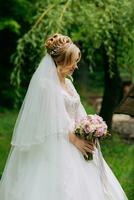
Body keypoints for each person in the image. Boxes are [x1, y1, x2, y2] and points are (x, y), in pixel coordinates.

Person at [0, 33, 128, 200]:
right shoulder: (45, 86)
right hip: (57, 144)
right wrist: (74, 139)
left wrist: (89, 126)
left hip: (77, 139)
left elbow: (77, 111)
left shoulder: (68, 83)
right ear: (59, 61)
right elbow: (47, 120)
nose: (75, 66)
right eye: (72, 61)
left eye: (76, 61)